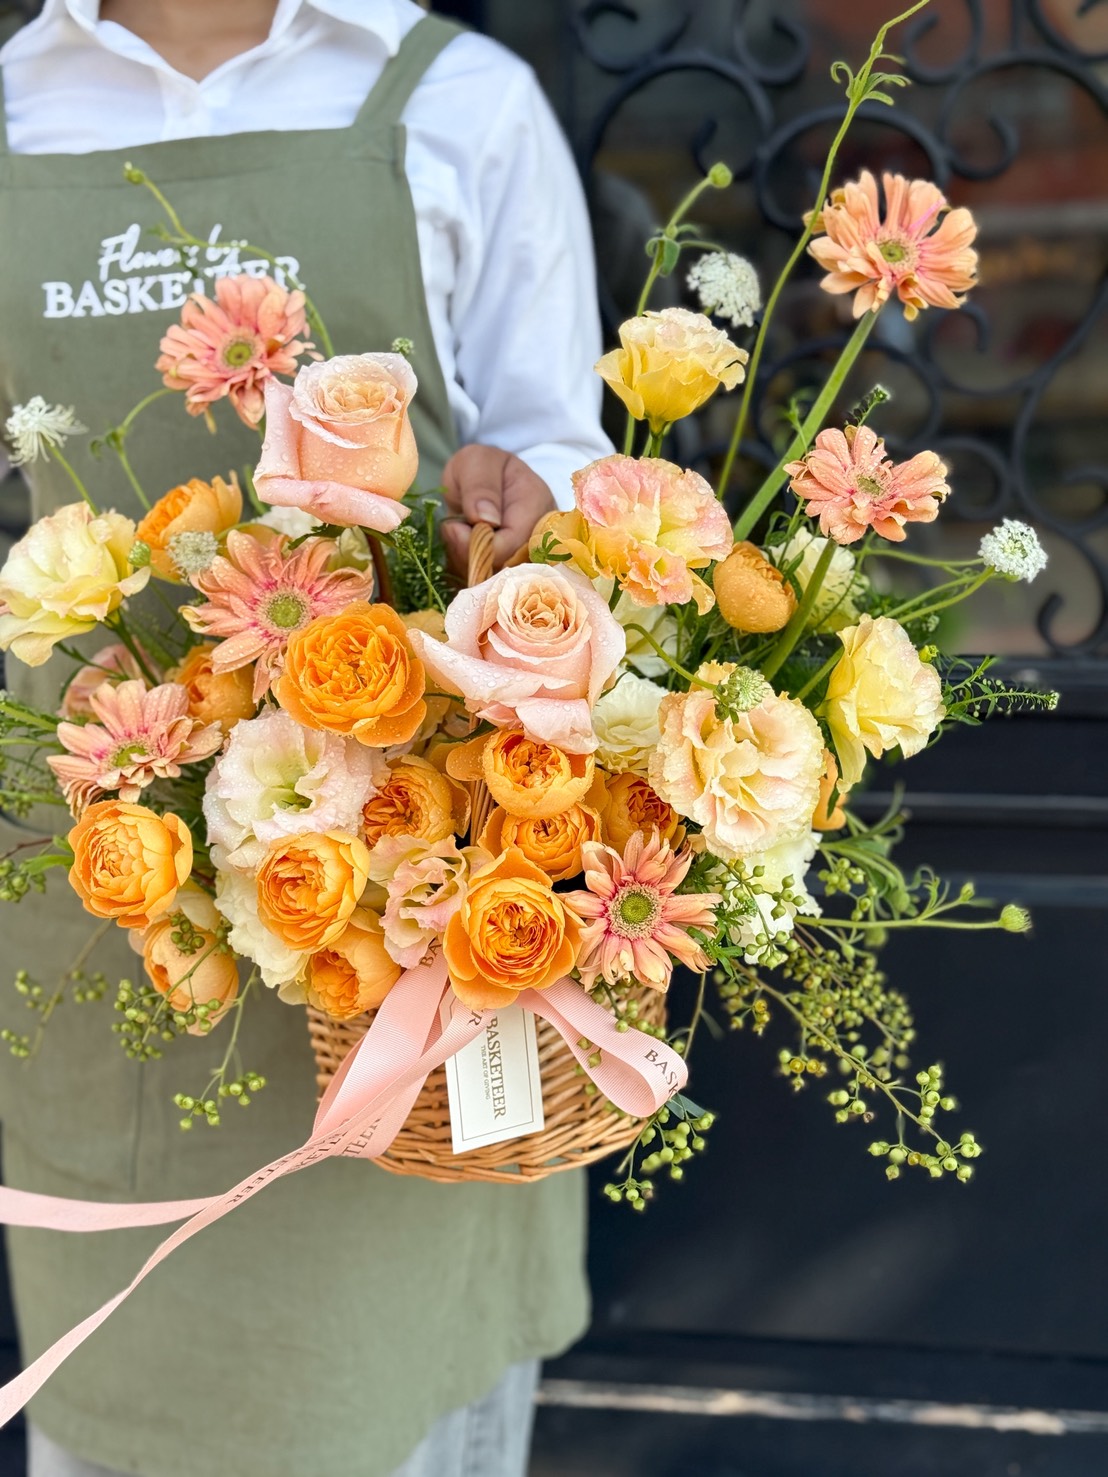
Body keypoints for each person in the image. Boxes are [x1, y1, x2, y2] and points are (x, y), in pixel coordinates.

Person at [0, 2, 611, 1474]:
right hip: (99, 886)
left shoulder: (463, 103)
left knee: (391, 1388)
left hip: (417, 899)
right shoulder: (17, 104)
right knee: (134, 1403)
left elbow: (567, 453)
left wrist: (528, 509)